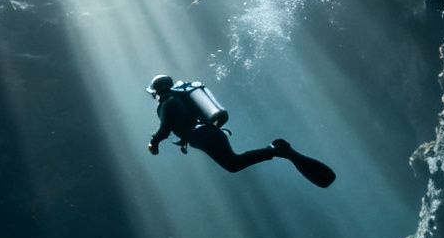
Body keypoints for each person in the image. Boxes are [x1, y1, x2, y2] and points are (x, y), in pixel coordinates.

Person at [144, 74, 336, 187]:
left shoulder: (166, 104)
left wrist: (154, 142)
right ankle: (277, 150)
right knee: (233, 163)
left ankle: (278, 150)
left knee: (233, 164)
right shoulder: (180, 98)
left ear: (156, 92)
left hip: (203, 136)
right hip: (210, 132)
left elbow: (165, 128)